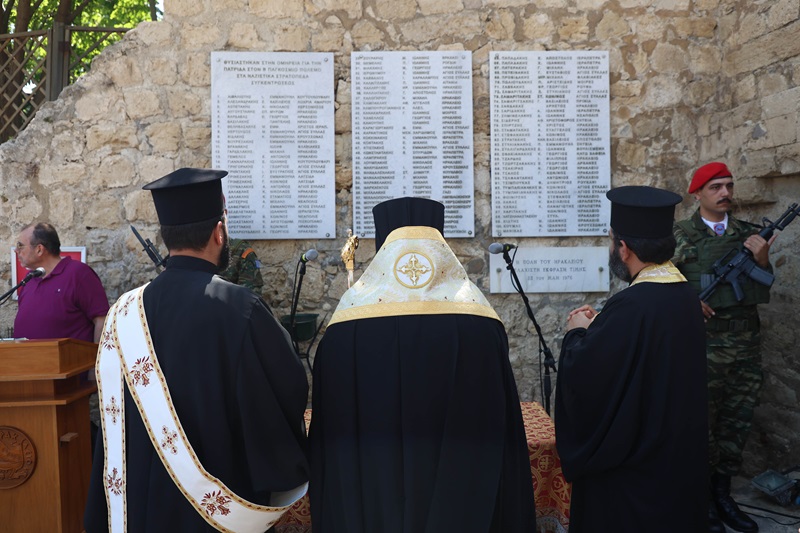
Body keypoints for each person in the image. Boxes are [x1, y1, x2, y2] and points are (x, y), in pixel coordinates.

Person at [84, 168, 309, 532]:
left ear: (166, 237)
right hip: (213, 514)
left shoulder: (121, 313)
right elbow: (286, 389)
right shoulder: (240, 308)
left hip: (139, 511)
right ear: (219, 232)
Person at [309, 197, 535, 533]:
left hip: (373, 507)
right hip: (463, 507)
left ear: (383, 240)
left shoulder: (345, 328)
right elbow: (502, 436)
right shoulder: (482, 324)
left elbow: (332, 434)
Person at [555, 186, 708, 532]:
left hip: (634, 482)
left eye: (612, 241)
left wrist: (577, 333)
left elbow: (590, 377)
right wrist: (602, 328)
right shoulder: (684, 295)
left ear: (623, 249)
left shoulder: (633, 304)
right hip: (677, 467)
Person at [673, 162, 773, 533]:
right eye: (715, 187)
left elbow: (763, 287)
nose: (725, 192)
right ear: (697, 193)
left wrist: (761, 258)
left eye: (729, 185)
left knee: (737, 422)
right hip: (704, 345)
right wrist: (686, 301)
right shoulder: (680, 235)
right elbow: (658, 282)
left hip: (745, 344)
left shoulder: (750, 235)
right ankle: (702, 501)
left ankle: (723, 494)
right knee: (703, 425)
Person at [13, 222, 109, 343]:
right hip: (25, 359)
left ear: (39, 249)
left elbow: (102, 319)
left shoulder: (79, 274)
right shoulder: (29, 278)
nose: (16, 250)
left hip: (69, 361)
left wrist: (98, 359)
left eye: (20, 246)